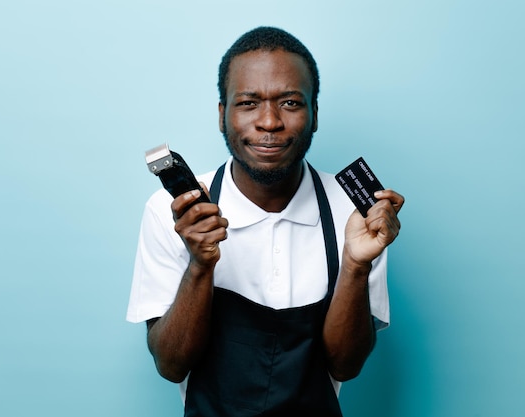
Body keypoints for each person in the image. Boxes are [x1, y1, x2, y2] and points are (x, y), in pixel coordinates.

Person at [126, 26, 404, 417]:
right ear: (222, 115)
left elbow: (346, 366)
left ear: (315, 114)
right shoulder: (172, 212)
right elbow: (171, 366)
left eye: (290, 103)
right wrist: (200, 265)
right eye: (248, 103)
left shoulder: (355, 211)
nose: (269, 122)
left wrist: (356, 265)